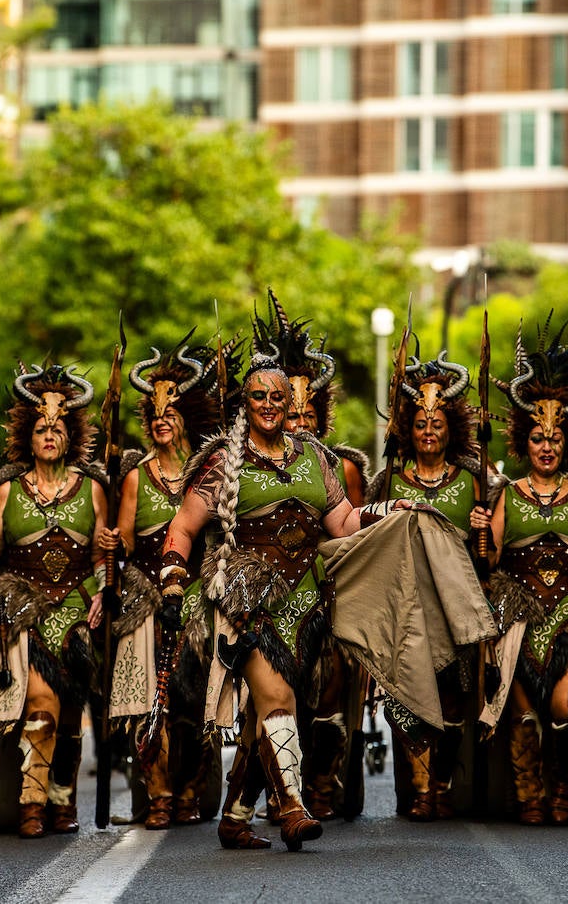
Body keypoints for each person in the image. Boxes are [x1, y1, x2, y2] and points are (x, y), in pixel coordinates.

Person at [160, 348, 379, 852]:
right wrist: (173, 580)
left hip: (305, 605)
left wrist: (390, 510)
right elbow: (184, 526)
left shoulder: (315, 457)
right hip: (246, 600)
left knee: (271, 714)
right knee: (277, 700)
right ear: (245, 401)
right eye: (258, 395)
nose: (269, 404)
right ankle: (293, 810)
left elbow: (343, 524)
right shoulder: (222, 461)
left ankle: (235, 818)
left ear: (290, 401)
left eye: (278, 396)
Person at [475, 323, 568, 826]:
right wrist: (480, 531)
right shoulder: (506, 496)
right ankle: (530, 797)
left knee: (563, 711)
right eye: (538, 437)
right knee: (523, 717)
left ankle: (563, 790)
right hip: (515, 620)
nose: (546, 446)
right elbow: (488, 561)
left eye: (555, 438)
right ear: (524, 440)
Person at [0, 364, 110, 839]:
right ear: (29, 437)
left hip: (77, 612)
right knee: (40, 706)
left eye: (58, 428)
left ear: (72, 437)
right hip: (22, 612)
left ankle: (62, 801)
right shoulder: (6, 490)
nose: (50, 434)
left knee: (71, 713)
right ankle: (31, 805)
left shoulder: (92, 489)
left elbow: (99, 556)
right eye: (42, 427)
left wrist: (105, 591)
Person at [256, 293, 369, 819]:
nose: (296, 421)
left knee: (327, 700)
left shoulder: (338, 468)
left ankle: (323, 787)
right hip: (268, 599)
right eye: (288, 410)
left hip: (330, 598)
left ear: (318, 416)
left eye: (305, 411)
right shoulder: (246, 462)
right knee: (273, 702)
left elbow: (358, 539)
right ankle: (269, 796)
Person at [367, 351, 488, 820]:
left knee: (454, 699)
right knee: (408, 696)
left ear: (450, 430)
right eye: (420, 423)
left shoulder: (472, 483)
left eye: (437, 423)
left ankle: (441, 783)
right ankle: (418, 789)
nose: (429, 431)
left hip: (453, 606)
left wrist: (484, 529)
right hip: (404, 607)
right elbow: (366, 536)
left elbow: (490, 557)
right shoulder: (389, 479)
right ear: (408, 430)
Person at [109, 338, 225, 829]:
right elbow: (126, 546)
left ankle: (191, 792)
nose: (161, 419)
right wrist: (110, 545)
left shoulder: (212, 471)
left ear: (186, 417)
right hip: (148, 600)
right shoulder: (136, 476)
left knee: (196, 698)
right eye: (154, 413)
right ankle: (157, 794)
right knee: (151, 697)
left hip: (200, 593)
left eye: (171, 411)